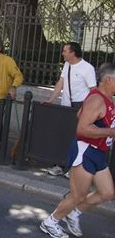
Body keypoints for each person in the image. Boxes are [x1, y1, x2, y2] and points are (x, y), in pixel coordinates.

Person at [40, 63, 115, 238]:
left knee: (107, 192)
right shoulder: (97, 99)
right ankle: (51, 222)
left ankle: (73, 214)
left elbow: (80, 113)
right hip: (86, 151)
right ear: (109, 80)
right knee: (78, 196)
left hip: (98, 152)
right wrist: (110, 131)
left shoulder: (104, 98)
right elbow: (82, 129)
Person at [45, 42, 96, 177]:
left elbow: (93, 91)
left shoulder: (87, 68)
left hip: (80, 106)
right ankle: (60, 165)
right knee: (63, 135)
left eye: (65, 51)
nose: (62, 53)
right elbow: (60, 83)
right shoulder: (67, 65)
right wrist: (51, 99)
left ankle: (74, 168)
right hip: (66, 104)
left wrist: (86, 108)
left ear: (73, 53)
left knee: (78, 139)